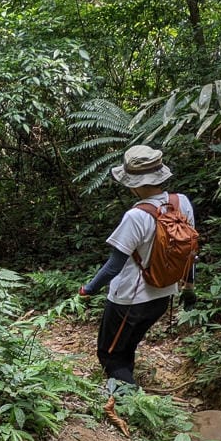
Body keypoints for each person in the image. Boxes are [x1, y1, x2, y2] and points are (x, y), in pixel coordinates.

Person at [78, 145, 196, 391]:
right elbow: (189, 251)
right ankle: (126, 387)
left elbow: (114, 265)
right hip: (163, 295)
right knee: (126, 346)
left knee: (109, 354)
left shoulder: (136, 216)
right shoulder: (181, 203)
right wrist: (189, 287)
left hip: (129, 301)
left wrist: (88, 289)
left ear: (135, 183)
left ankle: (131, 404)